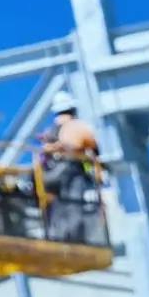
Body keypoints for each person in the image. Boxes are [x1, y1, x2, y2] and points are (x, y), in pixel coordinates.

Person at [40, 100, 102, 238]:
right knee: (73, 206)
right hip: (71, 173)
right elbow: (90, 148)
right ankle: (73, 237)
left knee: (59, 207)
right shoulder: (77, 126)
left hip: (56, 173)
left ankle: (59, 235)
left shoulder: (55, 129)